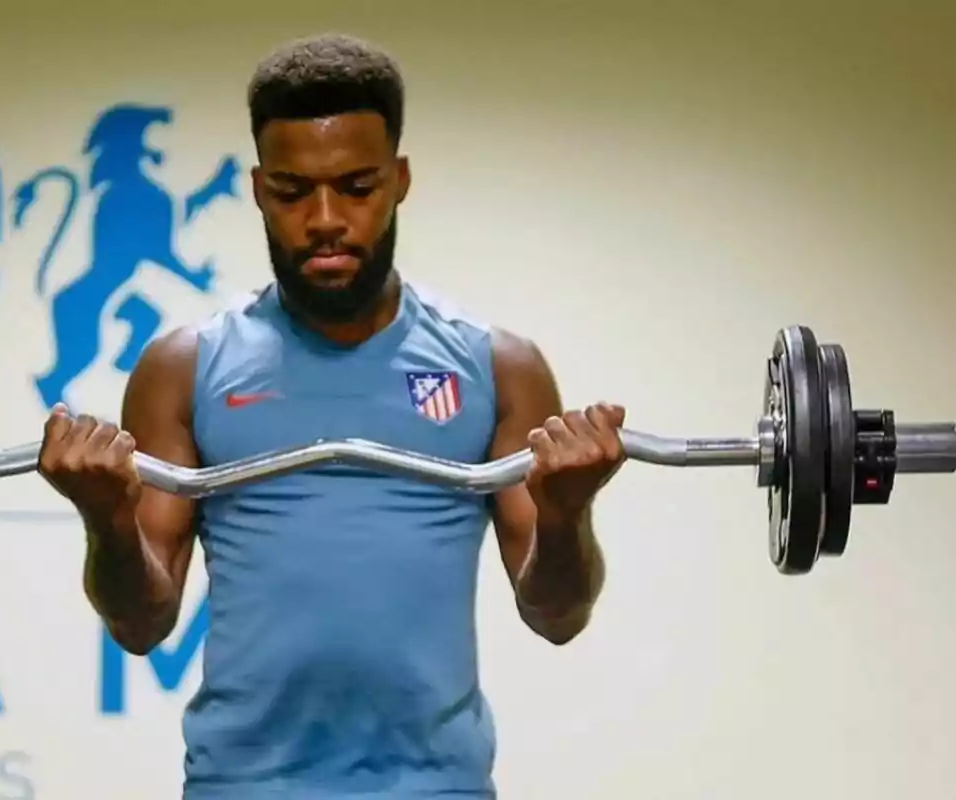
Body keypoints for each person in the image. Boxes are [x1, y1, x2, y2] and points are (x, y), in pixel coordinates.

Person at [38, 32, 627, 800]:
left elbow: (558, 615)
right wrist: (107, 520)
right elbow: (141, 625)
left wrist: (566, 514)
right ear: (257, 189)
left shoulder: (497, 367)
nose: (325, 219)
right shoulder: (184, 368)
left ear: (400, 181)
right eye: (291, 191)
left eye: (357, 187)